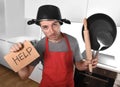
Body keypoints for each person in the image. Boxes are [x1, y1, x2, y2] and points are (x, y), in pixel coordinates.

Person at [10, 5, 98, 87]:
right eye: (45, 27)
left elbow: (79, 65)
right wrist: (18, 60)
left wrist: (86, 63)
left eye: (54, 24)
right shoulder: (40, 46)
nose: (51, 31)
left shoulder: (72, 41)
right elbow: (24, 76)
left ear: (60, 24)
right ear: (41, 28)